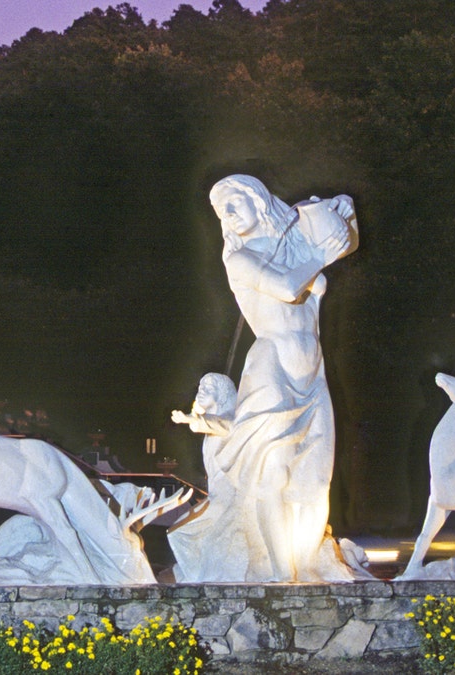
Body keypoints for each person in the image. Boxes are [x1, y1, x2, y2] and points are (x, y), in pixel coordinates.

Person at [168, 174, 357, 582]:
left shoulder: (294, 244)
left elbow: (343, 239)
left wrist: (341, 206)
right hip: (272, 367)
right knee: (275, 473)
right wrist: (320, 256)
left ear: (259, 200)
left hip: (312, 370)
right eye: (221, 211)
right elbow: (289, 287)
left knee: (315, 479)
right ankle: (278, 570)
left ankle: (305, 564)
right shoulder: (240, 260)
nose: (229, 214)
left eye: (234, 203)